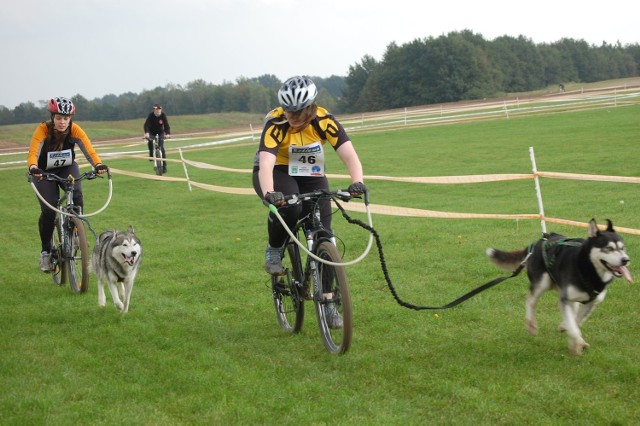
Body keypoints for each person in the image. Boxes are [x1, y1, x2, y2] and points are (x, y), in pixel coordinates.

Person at [252, 76, 367, 328]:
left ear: (311, 107)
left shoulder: (325, 120)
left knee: (325, 235)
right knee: (290, 207)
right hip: (277, 172)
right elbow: (267, 164)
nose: (292, 116)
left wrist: (357, 182)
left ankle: (328, 303)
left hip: (310, 173)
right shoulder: (276, 122)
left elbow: (349, 154)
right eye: (289, 111)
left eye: (298, 112)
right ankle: (274, 248)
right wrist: (270, 193)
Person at [27, 97, 109, 272]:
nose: (62, 122)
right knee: (49, 209)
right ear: (52, 117)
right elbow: (34, 151)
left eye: (66, 118)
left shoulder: (75, 130)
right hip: (43, 171)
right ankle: (46, 252)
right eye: (58, 118)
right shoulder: (42, 129)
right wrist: (33, 167)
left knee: (77, 194)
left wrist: (98, 164)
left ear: (70, 118)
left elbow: (89, 149)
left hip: (67, 167)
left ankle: (76, 233)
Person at [143, 103, 171, 173]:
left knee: (161, 148)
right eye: (156, 110)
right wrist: (146, 133)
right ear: (154, 110)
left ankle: (164, 166)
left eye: (159, 109)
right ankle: (151, 154)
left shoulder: (163, 115)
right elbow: (146, 125)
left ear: (161, 110)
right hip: (151, 132)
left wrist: (167, 134)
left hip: (160, 132)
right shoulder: (151, 115)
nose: (158, 111)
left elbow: (167, 126)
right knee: (150, 141)